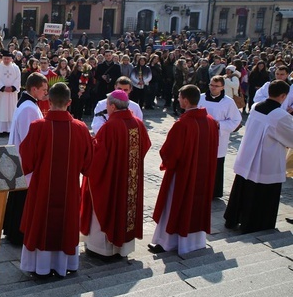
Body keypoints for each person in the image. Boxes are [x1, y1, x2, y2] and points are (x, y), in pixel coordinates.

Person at [18, 82, 92, 276]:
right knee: (65, 224)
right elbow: (88, 163)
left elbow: (26, 160)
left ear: (48, 101)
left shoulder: (37, 127)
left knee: (40, 222)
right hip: (68, 189)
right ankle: (64, 265)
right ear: (69, 102)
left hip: (42, 189)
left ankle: (39, 266)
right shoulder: (81, 128)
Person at [81, 90, 151, 259]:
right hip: (129, 178)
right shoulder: (138, 123)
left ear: (112, 106)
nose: (106, 108)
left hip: (111, 179)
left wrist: (89, 144)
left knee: (107, 203)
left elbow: (97, 157)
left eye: (107, 105)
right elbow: (146, 145)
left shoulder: (110, 127)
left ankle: (101, 249)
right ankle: (124, 248)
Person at [150, 85, 219, 256]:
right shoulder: (210, 121)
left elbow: (170, 152)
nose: (178, 100)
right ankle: (195, 242)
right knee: (196, 206)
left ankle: (167, 243)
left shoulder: (182, 124)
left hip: (183, 174)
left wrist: (167, 162)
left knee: (174, 205)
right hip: (203, 174)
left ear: (186, 101)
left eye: (179, 98)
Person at [225, 80, 293, 233]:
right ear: (283, 96)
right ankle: (256, 224)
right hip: (265, 161)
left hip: (248, 156)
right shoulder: (280, 115)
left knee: (243, 189)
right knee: (261, 195)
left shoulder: (256, 107)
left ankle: (234, 218)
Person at [3, 73, 47, 245]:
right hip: (25, 161)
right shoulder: (29, 108)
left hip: (20, 158)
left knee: (19, 197)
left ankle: (14, 230)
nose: (45, 93)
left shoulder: (27, 103)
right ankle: (18, 233)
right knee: (22, 199)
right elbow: (30, 138)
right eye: (43, 90)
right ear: (34, 89)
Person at [198, 76, 242, 198]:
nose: (213, 88)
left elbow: (236, 119)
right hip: (201, 136)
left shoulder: (228, 102)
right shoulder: (200, 98)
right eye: (211, 85)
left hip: (219, 137)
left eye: (216, 86)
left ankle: (214, 191)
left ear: (222, 87)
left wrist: (219, 125)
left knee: (216, 164)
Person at [0, 51, 21, 136]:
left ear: (11, 59)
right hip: (1, 94)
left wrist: (13, 87)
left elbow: (18, 79)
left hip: (11, 94)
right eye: (5, 58)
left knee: (10, 111)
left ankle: (10, 129)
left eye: (8, 59)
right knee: (1, 110)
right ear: (2, 59)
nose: (6, 60)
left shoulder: (16, 68)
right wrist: (3, 88)